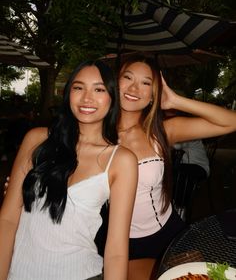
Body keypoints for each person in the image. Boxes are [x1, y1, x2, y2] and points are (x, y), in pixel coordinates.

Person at [0, 60, 138, 280]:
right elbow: (7, 220)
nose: (87, 98)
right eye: (78, 87)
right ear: (68, 94)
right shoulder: (37, 140)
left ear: (112, 98)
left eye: (99, 89)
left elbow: (116, 250)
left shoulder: (121, 161)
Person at [116, 54, 236, 280]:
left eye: (146, 83)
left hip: (169, 231)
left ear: (154, 94)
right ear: (115, 82)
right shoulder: (96, 136)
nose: (134, 87)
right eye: (128, 77)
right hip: (121, 240)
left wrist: (175, 101)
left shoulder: (161, 131)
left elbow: (232, 121)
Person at [172, 139, 210, 221]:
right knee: (177, 171)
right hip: (190, 168)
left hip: (201, 168)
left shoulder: (193, 138)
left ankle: (180, 208)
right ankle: (177, 205)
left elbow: (177, 146)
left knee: (179, 172)